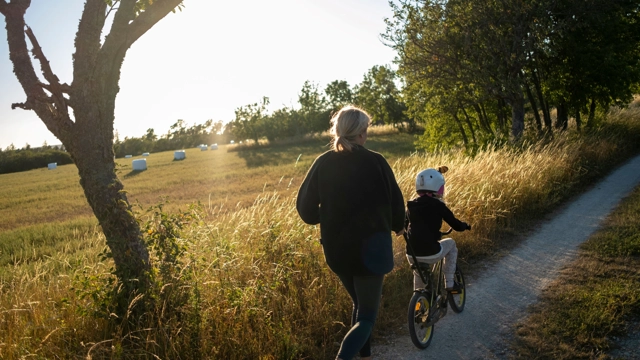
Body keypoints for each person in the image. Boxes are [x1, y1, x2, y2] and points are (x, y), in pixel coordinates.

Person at [296, 105, 405, 360]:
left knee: (359, 303)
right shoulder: (376, 161)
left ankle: (365, 356)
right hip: (372, 252)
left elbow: (305, 209)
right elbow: (395, 201)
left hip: (337, 251)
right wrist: (400, 225)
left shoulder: (323, 163)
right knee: (367, 315)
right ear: (361, 133)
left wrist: (326, 217)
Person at [404, 166, 471, 292]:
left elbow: (404, 225)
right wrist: (465, 226)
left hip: (411, 254)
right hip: (431, 253)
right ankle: (450, 282)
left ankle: (419, 302)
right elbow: (455, 225)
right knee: (451, 244)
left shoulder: (411, 205)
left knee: (418, 274)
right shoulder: (438, 205)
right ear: (437, 187)